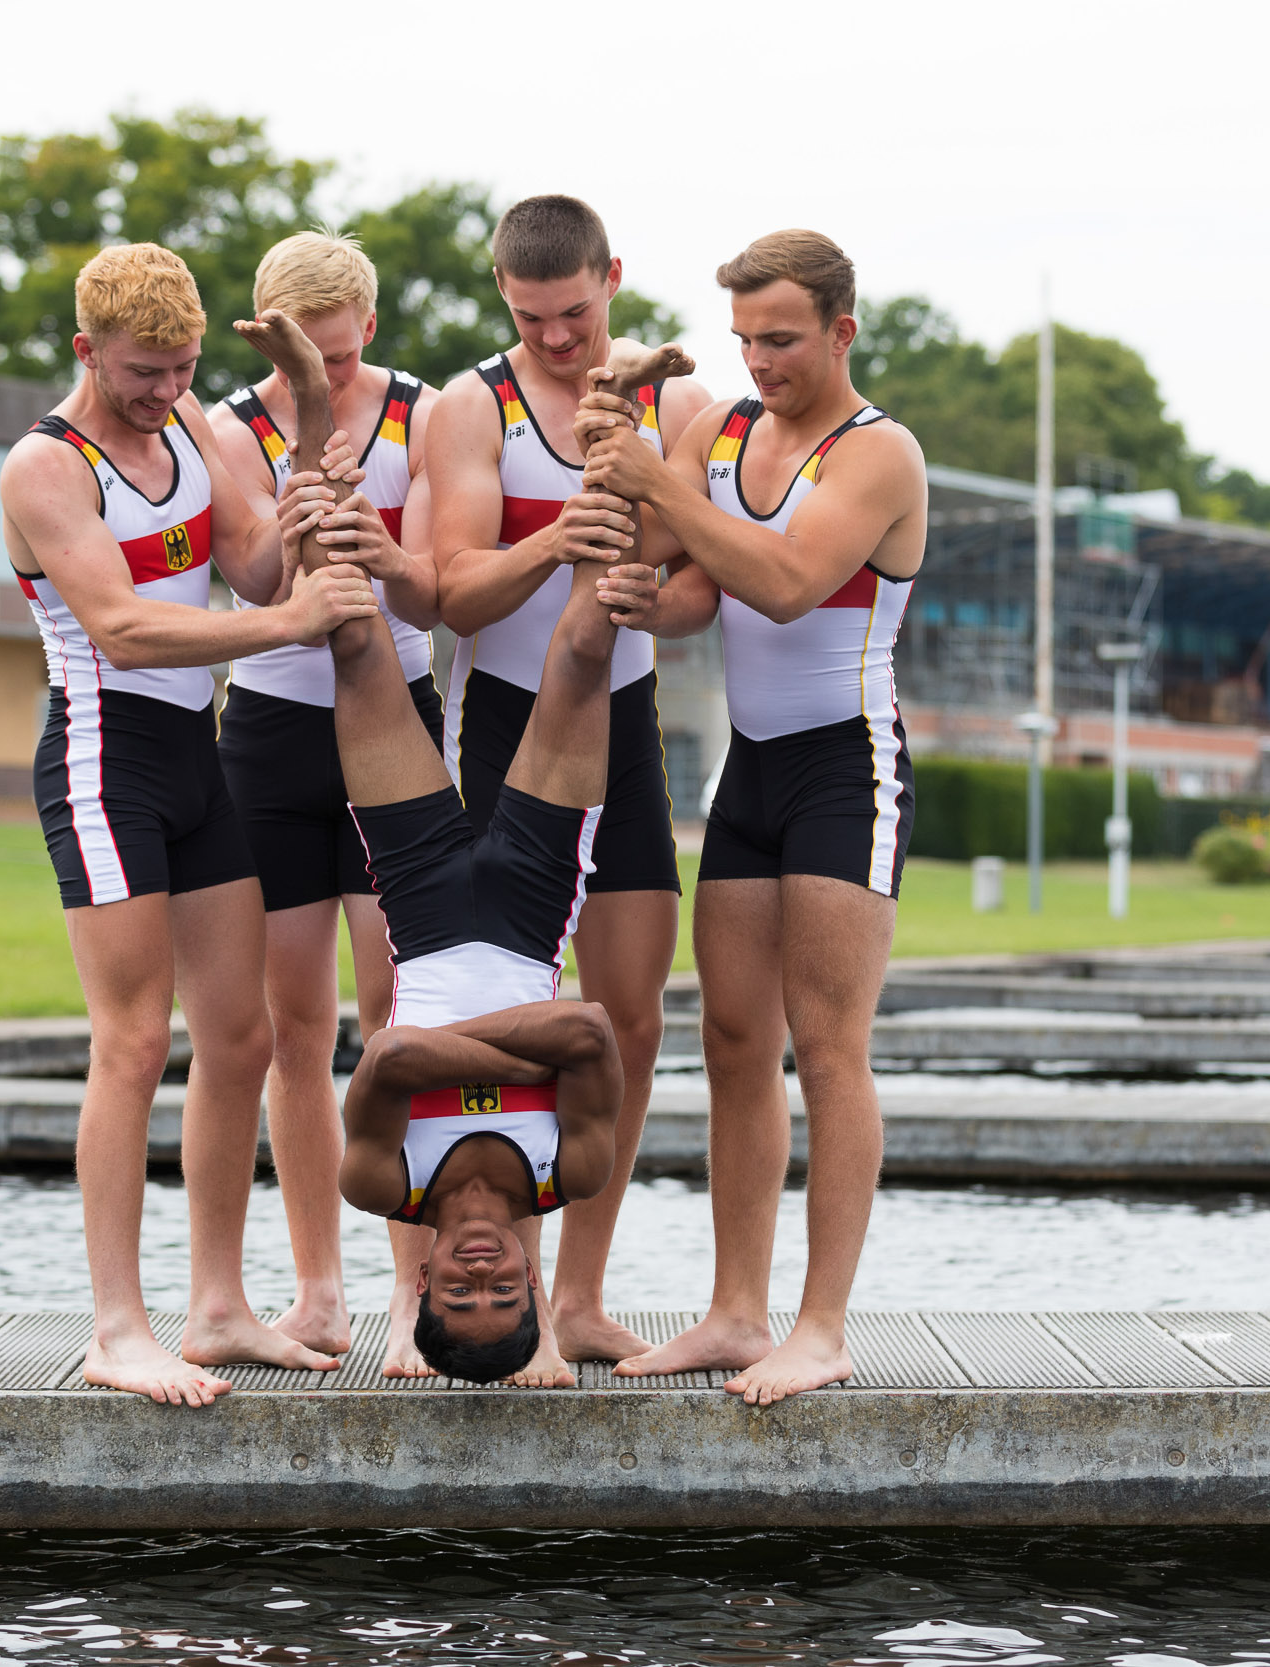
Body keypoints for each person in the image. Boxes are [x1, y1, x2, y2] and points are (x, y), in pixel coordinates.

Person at [0, 240, 381, 1407]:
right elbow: (121, 627)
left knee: (245, 1035)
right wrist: (290, 626)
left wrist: (307, 471)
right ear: (85, 351)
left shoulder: (198, 435)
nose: (165, 390)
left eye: (182, 369)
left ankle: (217, 1305)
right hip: (103, 758)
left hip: (193, 763)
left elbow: (260, 570)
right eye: (141, 373)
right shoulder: (45, 468)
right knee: (129, 1039)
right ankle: (119, 1324)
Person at [569, 229, 928, 1405]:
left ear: (840, 329)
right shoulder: (725, 435)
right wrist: (641, 592)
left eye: (780, 339)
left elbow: (782, 582)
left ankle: (819, 1326)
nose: (759, 361)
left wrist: (654, 477)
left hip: (845, 769)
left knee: (827, 1048)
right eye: (743, 342)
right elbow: (693, 584)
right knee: (732, 1040)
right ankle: (736, 1311)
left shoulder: (878, 454)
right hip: (751, 772)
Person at [296, 333, 696, 1383]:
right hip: (530, 900)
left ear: (422, 1284)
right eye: (505, 1291)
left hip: (420, 902)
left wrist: (503, 1057)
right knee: (588, 636)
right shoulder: (574, 1166)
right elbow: (587, 1024)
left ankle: (308, 422)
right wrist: (497, 1051)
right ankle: (611, 418)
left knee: (354, 639)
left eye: (461, 1293)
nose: (482, 1272)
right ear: (531, 1280)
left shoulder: (385, 1185)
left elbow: (384, 1056)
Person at [419, 192, 713, 1372]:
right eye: (534, 317)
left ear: (614, 278)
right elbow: (453, 591)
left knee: (629, 1018)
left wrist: (654, 595)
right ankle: (524, 1291)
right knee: (509, 1020)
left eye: (577, 314)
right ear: (504, 293)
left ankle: (584, 1293)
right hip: (502, 724)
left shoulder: (681, 404)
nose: (556, 339)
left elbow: (704, 587)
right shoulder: (469, 404)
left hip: (624, 718)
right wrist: (566, 534)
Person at [202, 232, 443, 1361]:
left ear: (369, 333)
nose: (328, 381)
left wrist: (377, 534)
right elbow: (258, 574)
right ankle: (317, 1289)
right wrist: (304, 499)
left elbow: (436, 592)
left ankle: (412, 1285)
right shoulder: (225, 427)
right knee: (292, 1025)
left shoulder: (425, 412)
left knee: (394, 1009)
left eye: (342, 361)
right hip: (271, 731)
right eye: (309, 361)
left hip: (391, 721)